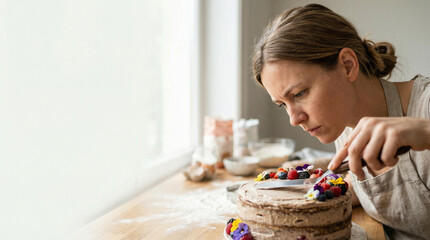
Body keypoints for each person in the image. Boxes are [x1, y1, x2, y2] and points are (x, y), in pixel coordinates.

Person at [252, 3, 430, 240]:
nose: (294, 119)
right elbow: (371, 186)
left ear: (347, 66)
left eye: (299, 94)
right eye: (283, 104)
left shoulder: (425, 104)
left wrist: (425, 130)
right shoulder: (344, 124)